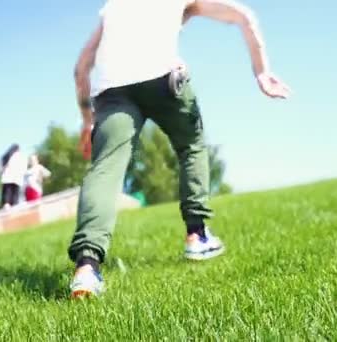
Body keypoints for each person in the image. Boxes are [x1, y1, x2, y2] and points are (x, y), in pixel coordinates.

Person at [68, 0, 291, 298]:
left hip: (112, 92)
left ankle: (86, 268)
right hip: (164, 81)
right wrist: (262, 72)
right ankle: (197, 234)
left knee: (105, 168)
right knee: (191, 146)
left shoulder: (113, 7)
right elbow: (243, 15)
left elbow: (81, 67)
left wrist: (87, 123)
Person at [0, 143, 27, 209]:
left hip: (7, 177)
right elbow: (23, 167)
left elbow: (1, 167)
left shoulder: (6, 156)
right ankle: (14, 205)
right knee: (15, 193)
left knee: (7, 192)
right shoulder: (19, 155)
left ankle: (6, 205)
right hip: (16, 177)